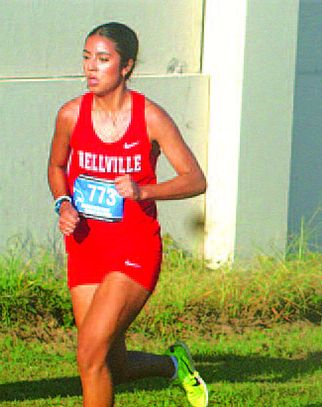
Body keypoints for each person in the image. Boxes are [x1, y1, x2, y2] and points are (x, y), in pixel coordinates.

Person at [47, 22, 208, 407]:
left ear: (126, 66)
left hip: (133, 249)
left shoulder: (150, 117)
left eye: (102, 59)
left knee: (88, 354)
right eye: (87, 58)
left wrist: (144, 190)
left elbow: (195, 179)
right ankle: (173, 365)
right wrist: (63, 203)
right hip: (85, 247)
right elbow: (56, 167)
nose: (90, 68)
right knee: (107, 364)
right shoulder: (70, 114)